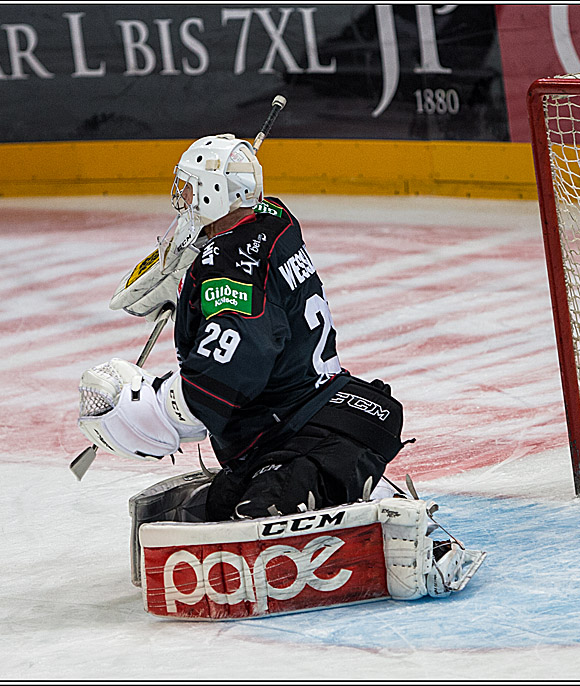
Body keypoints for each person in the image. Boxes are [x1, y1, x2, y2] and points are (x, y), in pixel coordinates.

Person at [77, 134, 405, 521]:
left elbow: (235, 360)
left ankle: (358, 491)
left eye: (188, 187)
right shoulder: (274, 219)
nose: (180, 198)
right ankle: (352, 483)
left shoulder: (227, 265)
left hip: (303, 430)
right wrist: (190, 286)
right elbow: (250, 257)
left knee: (251, 517)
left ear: (213, 193)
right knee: (214, 508)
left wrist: (154, 407)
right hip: (316, 411)